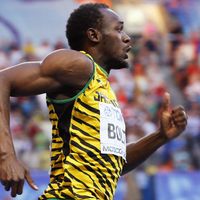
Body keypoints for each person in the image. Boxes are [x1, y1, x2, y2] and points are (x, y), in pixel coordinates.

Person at [0, 3, 188, 200]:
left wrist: (160, 136)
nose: (127, 37)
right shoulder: (79, 65)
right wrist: (6, 156)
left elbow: (113, 164)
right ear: (94, 35)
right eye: (118, 29)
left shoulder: (102, 88)